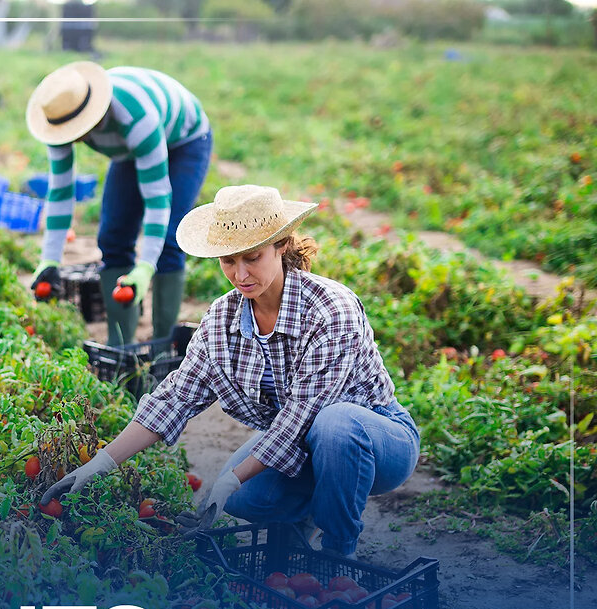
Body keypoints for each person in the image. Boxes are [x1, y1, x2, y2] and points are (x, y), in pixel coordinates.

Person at [40, 185, 420, 559]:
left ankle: (338, 553)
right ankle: (304, 519)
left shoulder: (329, 309)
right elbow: (175, 397)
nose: (240, 275)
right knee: (244, 498)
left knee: (333, 425)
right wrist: (99, 464)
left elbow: (302, 415)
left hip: (376, 440)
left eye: (252, 257)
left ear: (282, 245)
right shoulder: (222, 319)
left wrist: (233, 477)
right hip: (300, 444)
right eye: (228, 261)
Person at [25, 61, 212, 346]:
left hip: (185, 141)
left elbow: (157, 198)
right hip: (130, 148)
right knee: (112, 237)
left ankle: (162, 344)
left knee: (169, 239)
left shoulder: (135, 117)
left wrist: (145, 266)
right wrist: (48, 259)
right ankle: (121, 345)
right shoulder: (60, 118)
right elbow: (61, 192)